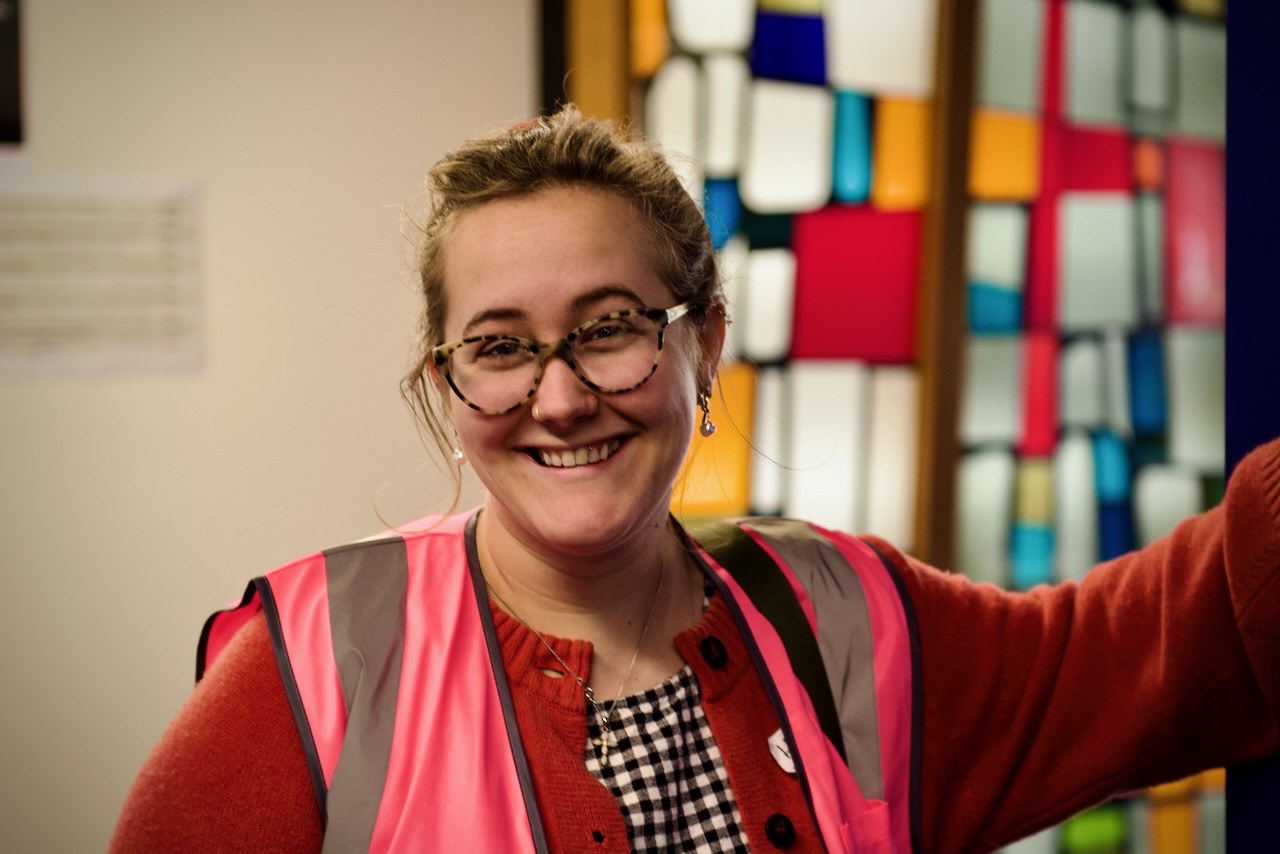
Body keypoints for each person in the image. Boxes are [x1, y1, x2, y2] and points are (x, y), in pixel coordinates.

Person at [110, 106, 1280, 854]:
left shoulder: (844, 615)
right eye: (501, 345)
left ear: (703, 341)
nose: (559, 397)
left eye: (608, 327)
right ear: (446, 380)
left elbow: (1175, 637)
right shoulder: (316, 670)